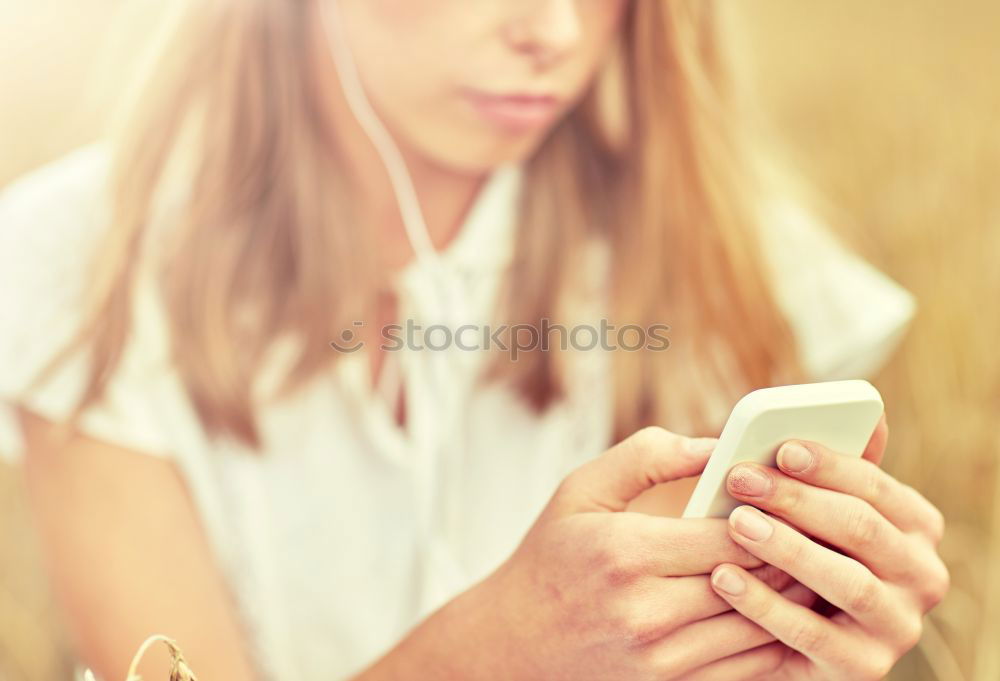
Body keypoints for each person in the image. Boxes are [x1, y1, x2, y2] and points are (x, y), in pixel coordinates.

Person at [0, 1, 947, 680]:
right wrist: (497, 650)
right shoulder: (85, 263)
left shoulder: (720, 251)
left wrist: (802, 647)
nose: (554, 31)